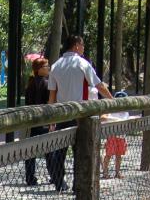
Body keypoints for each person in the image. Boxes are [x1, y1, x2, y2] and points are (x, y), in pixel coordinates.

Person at [47, 35, 114, 191]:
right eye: (82, 45)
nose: (83, 48)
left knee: (60, 151)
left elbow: (52, 96)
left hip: (62, 114)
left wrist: (51, 119)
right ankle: (80, 185)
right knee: (82, 151)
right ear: (76, 46)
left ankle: (59, 182)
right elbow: (99, 85)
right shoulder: (82, 64)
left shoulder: (56, 66)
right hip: (81, 116)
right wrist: (113, 101)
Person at [23, 57, 51, 186]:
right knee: (49, 150)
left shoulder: (30, 83)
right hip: (44, 122)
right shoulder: (46, 83)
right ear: (39, 69)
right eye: (46, 66)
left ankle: (30, 177)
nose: (49, 68)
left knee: (31, 150)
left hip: (32, 122)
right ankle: (54, 176)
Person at [102, 90, 130, 179]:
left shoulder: (126, 113)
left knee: (119, 155)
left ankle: (117, 172)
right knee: (109, 154)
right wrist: (115, 120)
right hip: (112, 136)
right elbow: (103, 117)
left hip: (121, 137)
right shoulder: (111, 111)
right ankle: (105, 172)